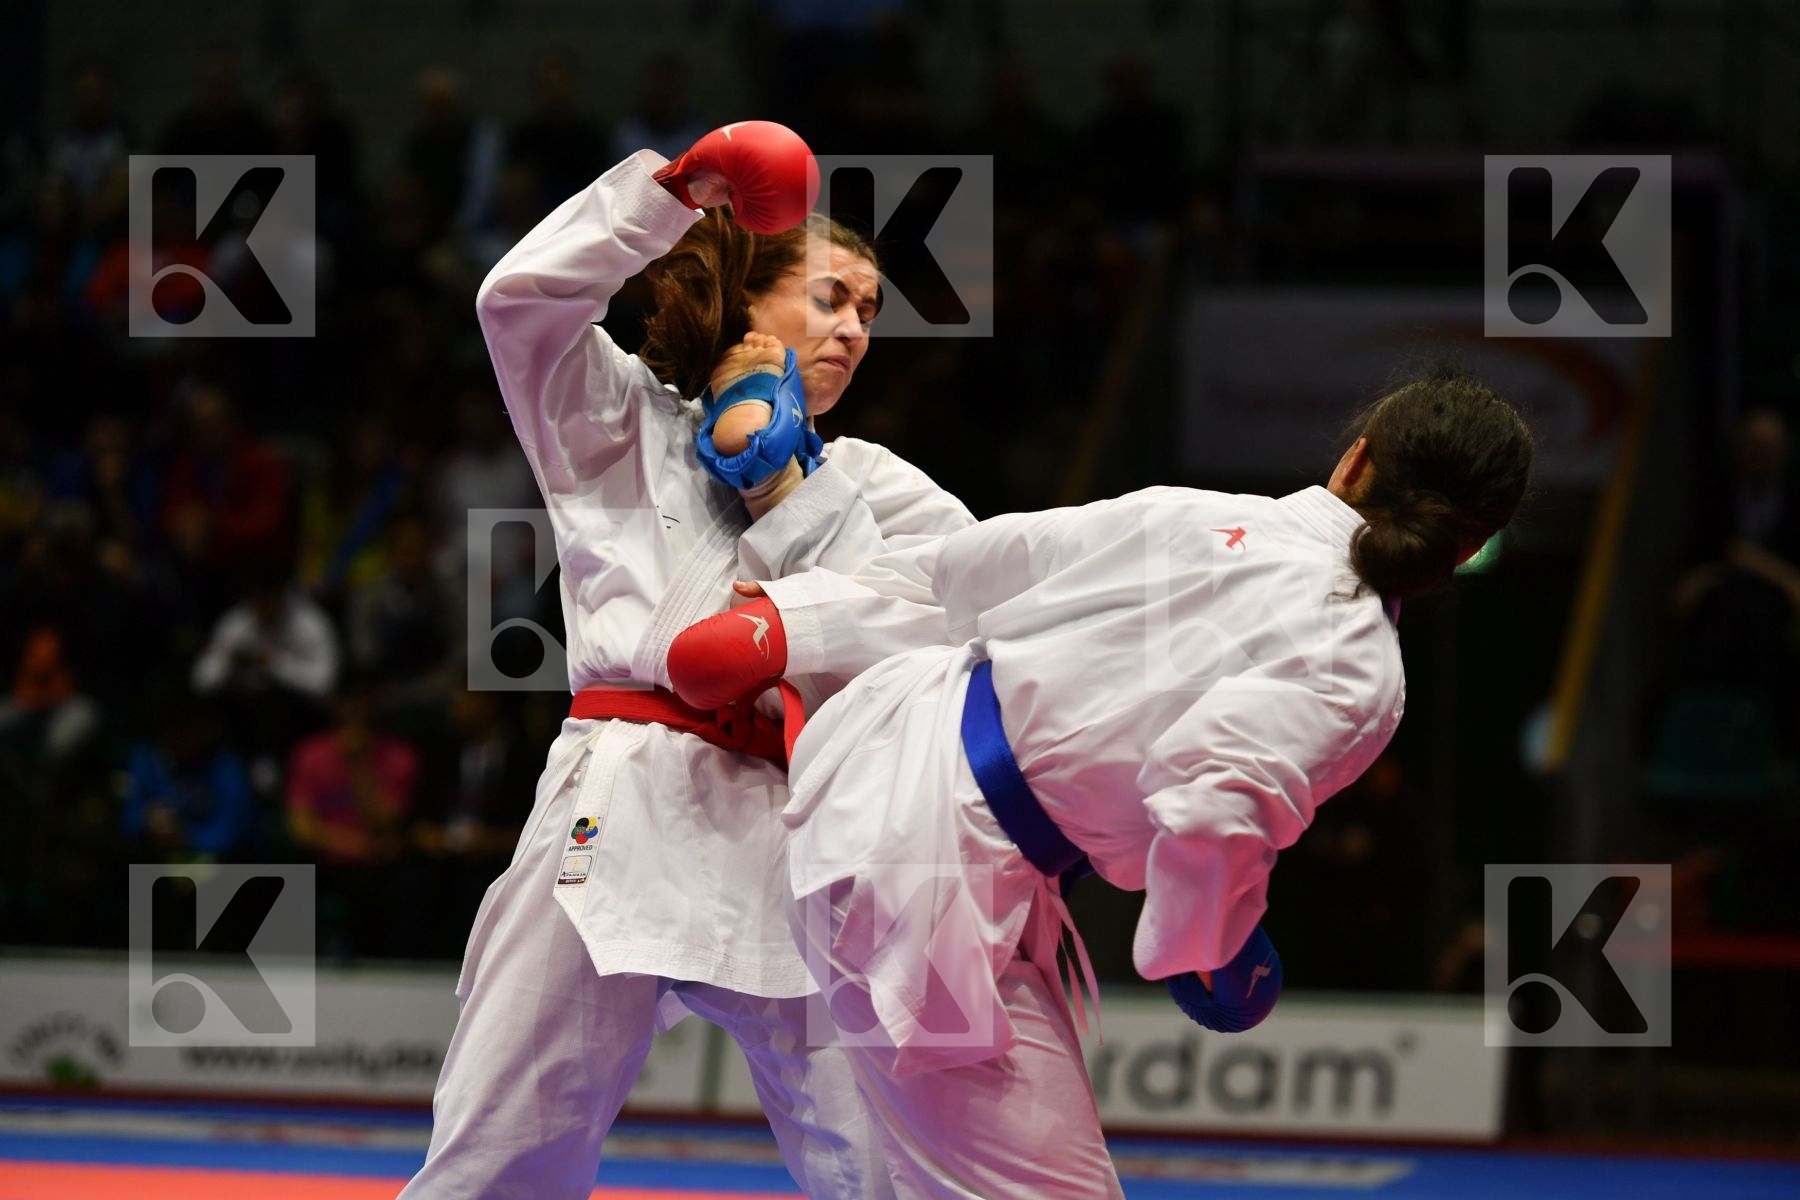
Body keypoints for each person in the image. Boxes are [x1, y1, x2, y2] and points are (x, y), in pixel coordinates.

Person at [668, 366, 1535, 1197]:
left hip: (881, 770)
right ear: (1467, 548)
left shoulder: (1204, 513)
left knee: (900, 1179)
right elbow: (1210, 799)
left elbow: (977, 567)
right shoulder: (1361, 669)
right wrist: (1214, 946)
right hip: (930, 878)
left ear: (1355, 458)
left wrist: (800, 622)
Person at [400, 121, 974, 1200]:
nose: (854, 329)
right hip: (620, 799)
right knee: (502, 1154)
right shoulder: (621, 423)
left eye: (869, 312)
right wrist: (672, 194)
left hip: (797, 828)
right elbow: (518, 304)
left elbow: (951, 622)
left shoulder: (878, 486)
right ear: (748, 296)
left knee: (884, 1168)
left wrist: (788, 484)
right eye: (831, 297)